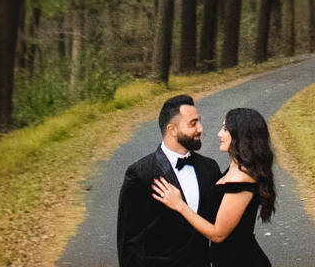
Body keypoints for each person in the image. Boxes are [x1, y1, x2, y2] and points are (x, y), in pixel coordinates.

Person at [149, 106, 277, 267]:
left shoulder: (241, 180)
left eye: (225, 129)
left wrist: (179, 205)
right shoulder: (236, 167)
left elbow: (218, 234)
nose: (219, 134)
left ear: (241, 135)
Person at [118, 94, 225, 267]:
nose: (200, 128)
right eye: (193, 123)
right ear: (172, 130)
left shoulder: (210, 168)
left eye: (199, 121)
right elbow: (129, 241)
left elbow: (219, 225)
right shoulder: (140, 174)